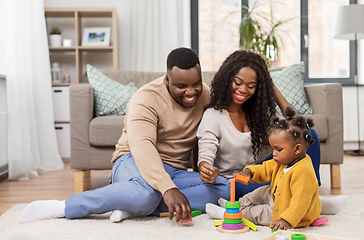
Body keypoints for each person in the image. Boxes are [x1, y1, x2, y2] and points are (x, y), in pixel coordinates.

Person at [20, 47, 230, 223]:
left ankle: (132, 205)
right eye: (181, 86)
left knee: (223, 188)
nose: (191, 92)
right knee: (146, 194)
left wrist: (203, 167)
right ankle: (64, 206)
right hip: (133, 161)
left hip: (175, 169)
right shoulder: (146, 98)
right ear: (167, 80)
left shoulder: (205, 94)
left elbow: (208, 133)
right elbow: (142, 146)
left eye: (195, 84)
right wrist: (167, 189)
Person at [233, 107, 321, 230]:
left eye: (278, 149)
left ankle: (236, 214)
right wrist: (249, 172)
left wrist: (286, 220)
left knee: (257, 212)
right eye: (273, 149)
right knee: (260, 192)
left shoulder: (303, 171)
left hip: (284, 211)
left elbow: (299, 203)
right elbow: (264, 168)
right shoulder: (283, 161)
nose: (274, 153)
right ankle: (235, 205)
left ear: (297, 149)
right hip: (277, 196)